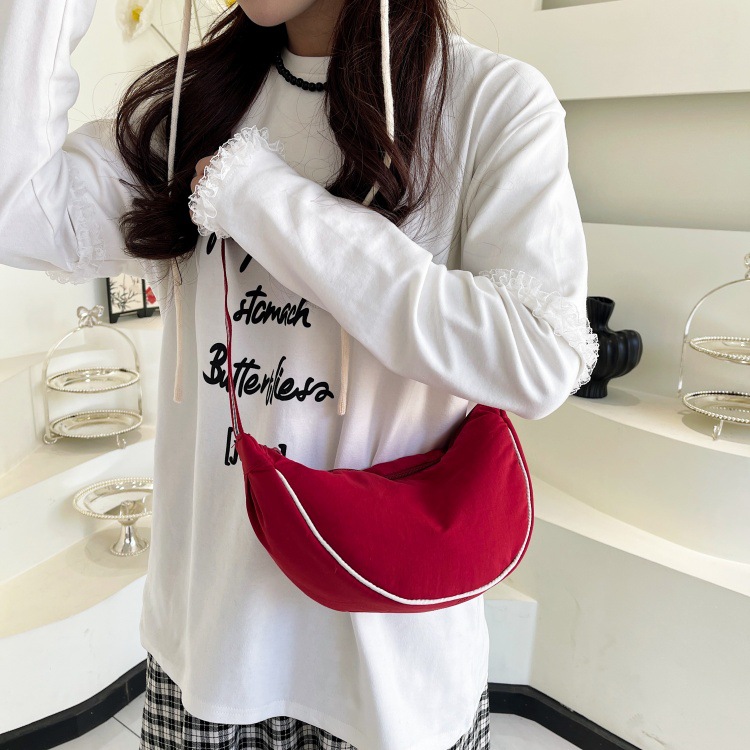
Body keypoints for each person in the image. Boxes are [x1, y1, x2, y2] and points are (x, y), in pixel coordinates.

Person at [0, 0, 598, 748]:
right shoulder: (194, 107)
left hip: (391, 678)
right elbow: (15, 208)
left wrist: (265, 201)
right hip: (208, 658)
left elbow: (541, 354)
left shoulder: (490, 103)